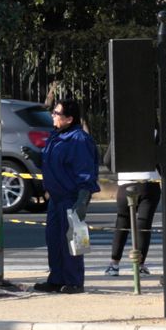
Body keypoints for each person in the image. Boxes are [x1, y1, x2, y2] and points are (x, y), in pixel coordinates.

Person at [24, 99, 99, 293]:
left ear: (69, 119)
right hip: (56, 199)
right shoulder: (57, 136)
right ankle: (56, 278)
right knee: (54, 240)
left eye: (57, 113)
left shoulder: (79, 140)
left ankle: (74, 281)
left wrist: (83, 199)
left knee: (72, 240)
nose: (53, 116)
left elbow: (86, 172)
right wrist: (37, 157)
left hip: (71, 197)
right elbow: (52, 164)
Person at [104, 171, 161, 276]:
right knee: (144, 224)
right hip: (149, 182)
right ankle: (139, 266)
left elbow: (108, 159)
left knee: (122, 223)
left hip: (126, 181)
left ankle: (114, 264)